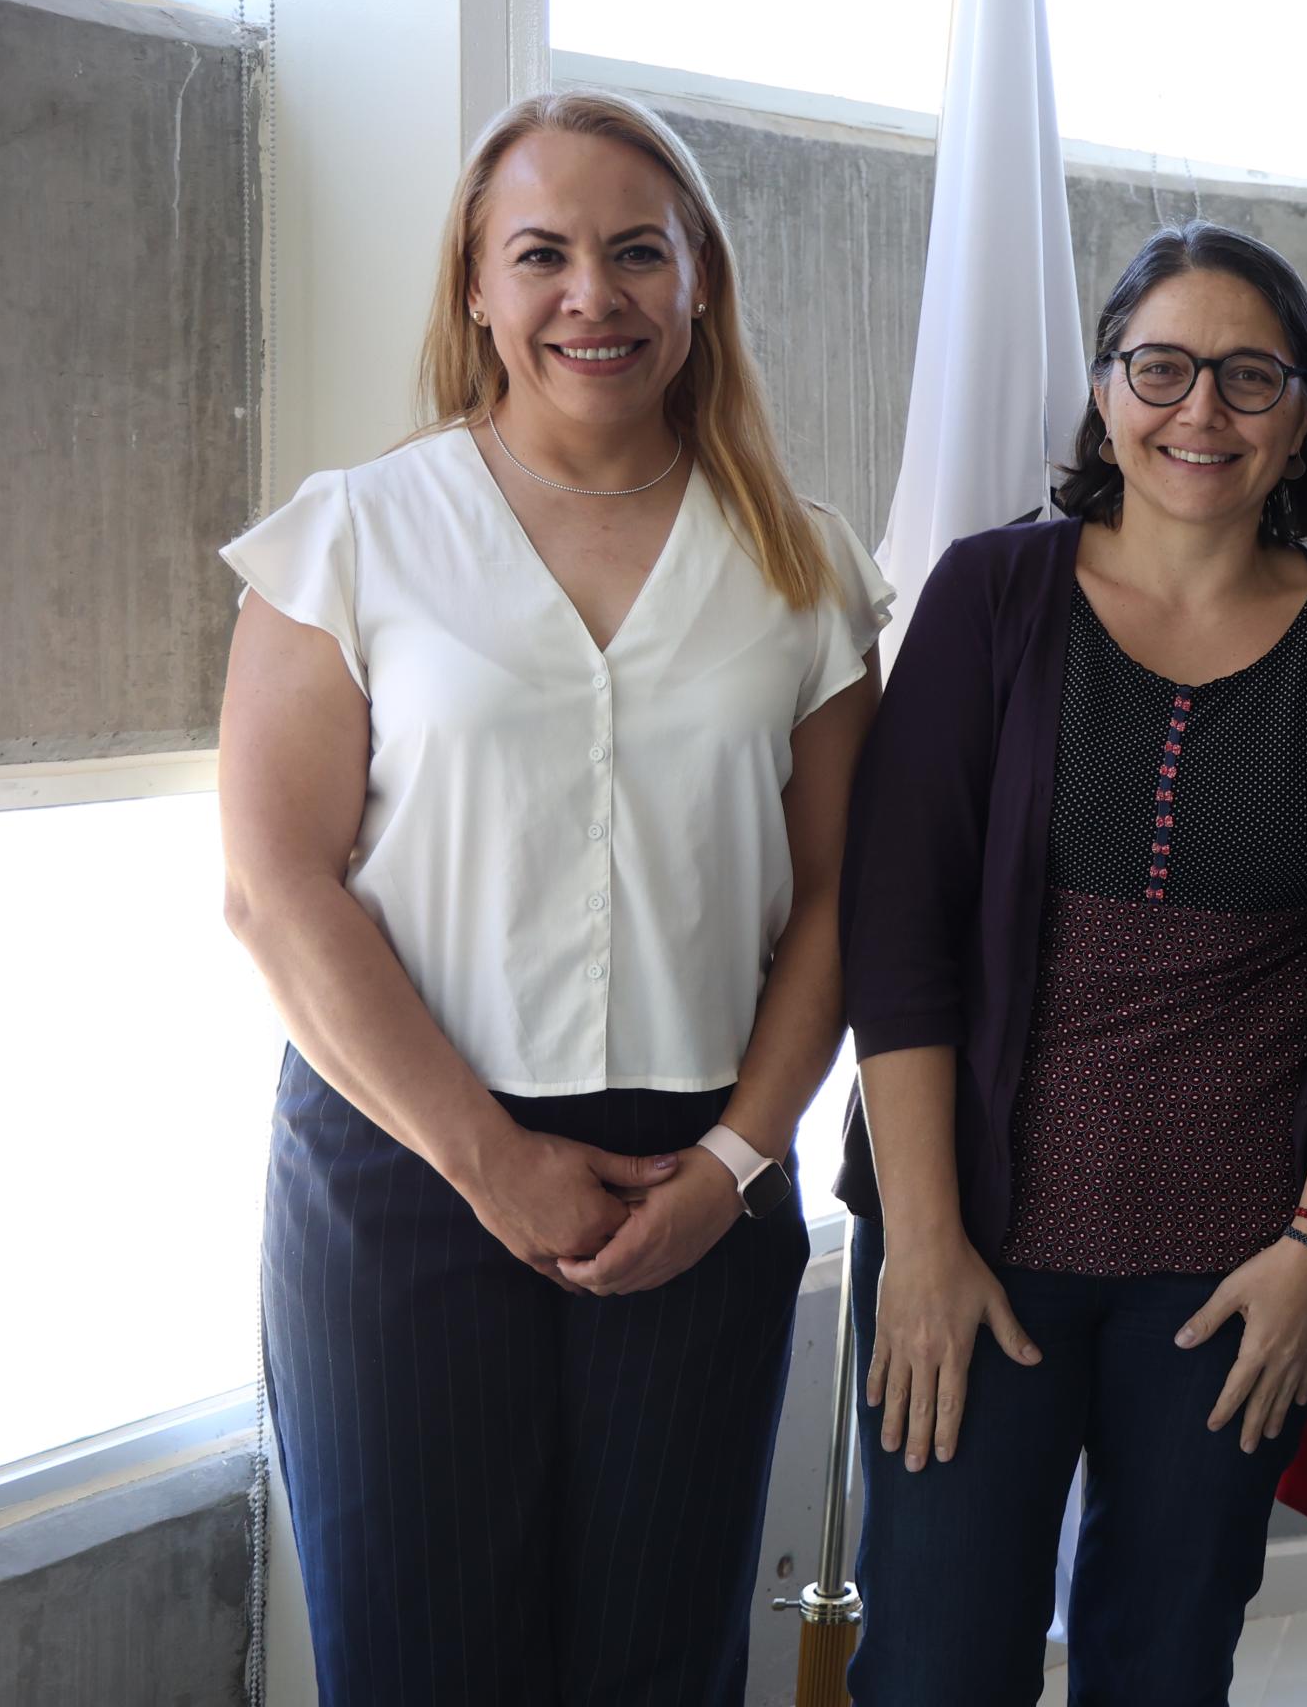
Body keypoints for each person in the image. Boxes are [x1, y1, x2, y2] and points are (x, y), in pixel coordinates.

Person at [217, 89, 889, 1704]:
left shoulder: (801, 566)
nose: (595, 294)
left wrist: (735, 1166)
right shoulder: (355, 535)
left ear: (700, 281)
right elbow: (275, 889)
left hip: (699, 1182)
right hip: (402, 1171)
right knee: (419, 1661)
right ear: (476, 287)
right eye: (543, 255)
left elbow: (838, 900)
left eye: (639, 252)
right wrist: (488, 1158)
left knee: (659, 1664)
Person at [839, 223, 1307, 1707]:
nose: (1203, 412)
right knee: (933, 1666)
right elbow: (898, 935)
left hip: (1238, 1273)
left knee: (1166, 1666)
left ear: (1304, 416)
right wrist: (922, 1244)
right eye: (1163, 368)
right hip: (973, 1244)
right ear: (1107, 393)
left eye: (1252, 377)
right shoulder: (992, 593)